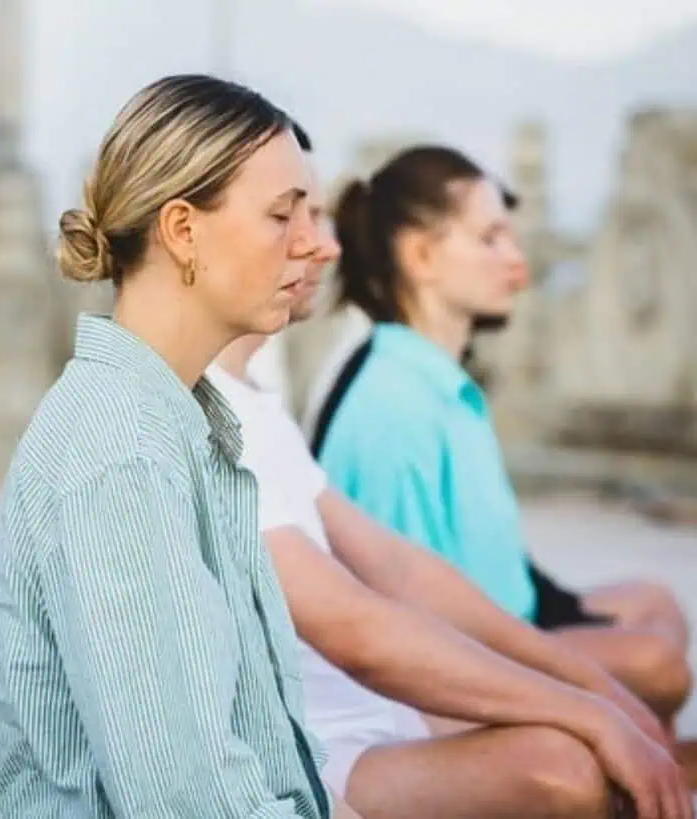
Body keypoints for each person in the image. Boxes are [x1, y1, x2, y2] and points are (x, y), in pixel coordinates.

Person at [209, 125, 691, 819]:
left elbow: (404, 571)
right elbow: (370, 621)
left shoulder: (258, 403)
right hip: (332, 731)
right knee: (590, 742)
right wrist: (583, 702)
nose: (325, 244)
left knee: (646, 636)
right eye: (287, 216)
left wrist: (589, 693)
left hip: (375, 697)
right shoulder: (378, 403)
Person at [0, 75, 358, 818]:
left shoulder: (179, 426)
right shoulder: (121, 454)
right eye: (282, 214)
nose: (310, 243)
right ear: (182, 230)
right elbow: (189, 801)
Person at [311, 146, 691, 724]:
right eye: (490, 238)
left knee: (657, 601)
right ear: (420, 255)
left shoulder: (437, 378)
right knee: (656, 663)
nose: (518, 261)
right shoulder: (391, 403)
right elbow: (405, 613)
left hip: (512, 618)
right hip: (463, 655)